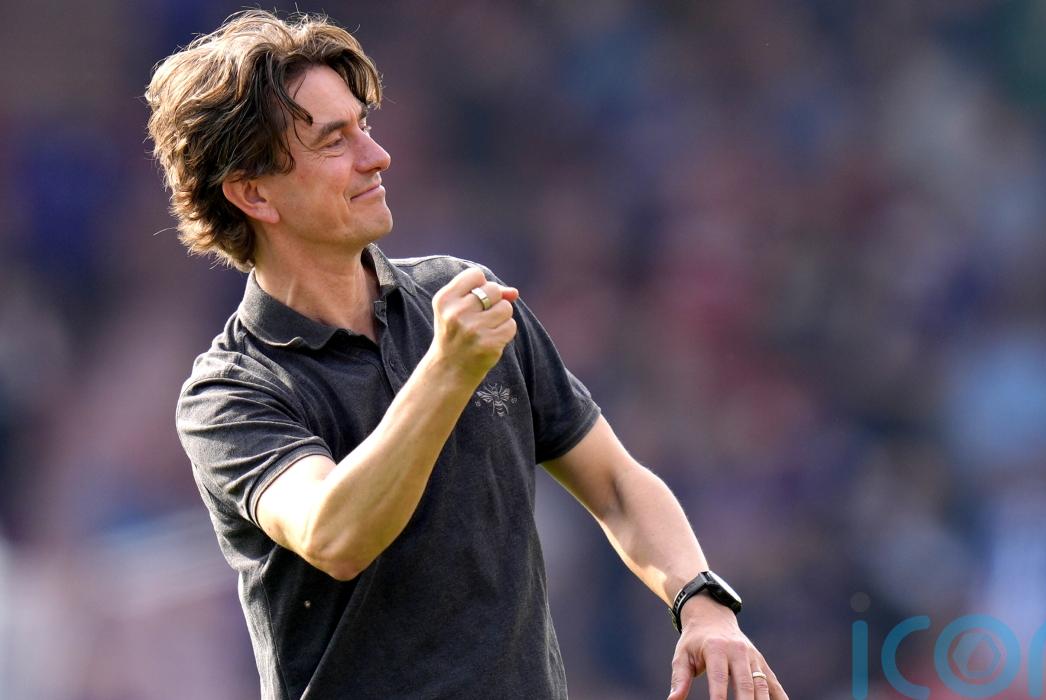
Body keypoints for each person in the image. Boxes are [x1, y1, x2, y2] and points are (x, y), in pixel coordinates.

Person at [147, 10, 787, 700]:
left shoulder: (460, 297)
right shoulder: (231, 393)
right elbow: (336, 534)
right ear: (252, 192)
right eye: (334, 141)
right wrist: (447, 370)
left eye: (364, 125)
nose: (376, 155)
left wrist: (701, 601)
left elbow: (615, 484)